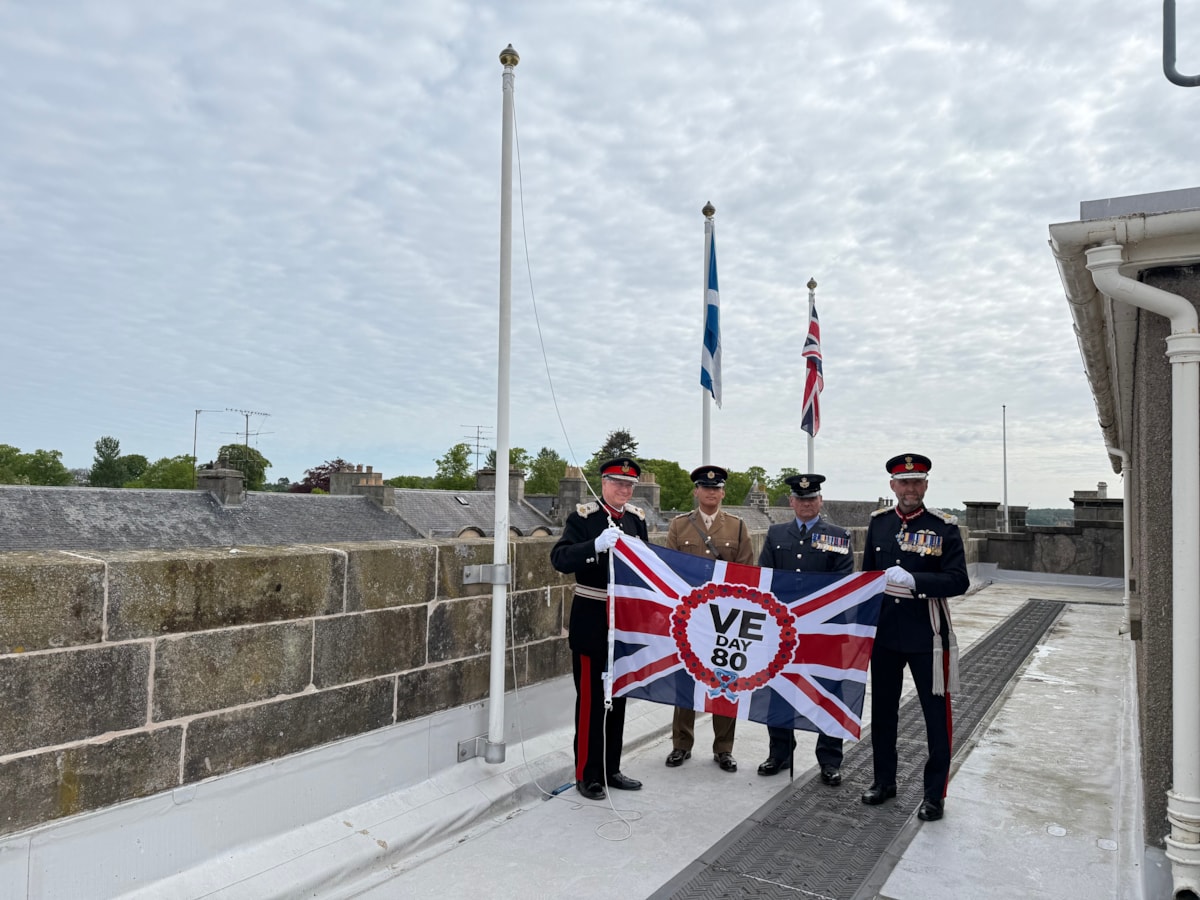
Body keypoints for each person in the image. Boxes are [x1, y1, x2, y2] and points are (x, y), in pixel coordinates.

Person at [860, 453, 969, 822]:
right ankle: (883, 781)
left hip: (928, 635)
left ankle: (934, 795)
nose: (910, 488)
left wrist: (917, 581)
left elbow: (959, 580)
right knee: (883, 714)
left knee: (936, 719)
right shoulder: (878, 524)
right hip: (886, 634)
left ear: (926, 485)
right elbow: (867, 579)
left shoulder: (944, 527)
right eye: (903, 482)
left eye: (916, 481)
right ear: (892, 486)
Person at [550, 457, 649, 801]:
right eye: (618, 483)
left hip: (622, 624)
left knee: (617, 698)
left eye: (629, 485)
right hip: (592, 620)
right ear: (603, 483)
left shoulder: (636, 521)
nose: (624, 490)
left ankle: (611, 768)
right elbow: (559, 559)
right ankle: (588, 773)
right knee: (592, 701)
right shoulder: (584, 518)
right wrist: (593, 546)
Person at [756, 473, 853, 783]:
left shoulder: (837, 535)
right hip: (784, 631)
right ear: (791, 502)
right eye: (800, 499)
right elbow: (765, 579)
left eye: (812, 499)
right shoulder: (776, 534)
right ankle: (780, 754)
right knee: (780, 692)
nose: (806, 504)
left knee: (828, 693)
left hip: (825, 631)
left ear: (820, 501)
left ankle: (829, 760)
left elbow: (841, 582)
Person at [663, 465, 755, 773]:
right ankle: (681, 744)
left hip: (724, 619)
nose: (711, 492)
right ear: (696, 492)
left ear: (723, 493)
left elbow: (745, 576)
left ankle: (723, 748)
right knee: (685, 681)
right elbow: (670, 572)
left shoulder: (738, 527)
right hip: (689, 618)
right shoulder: (679, 526)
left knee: (725, 681)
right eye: (705, 487)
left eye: (716, 488)